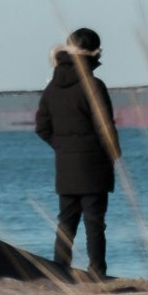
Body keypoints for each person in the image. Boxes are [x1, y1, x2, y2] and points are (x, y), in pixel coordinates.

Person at [35, 28, 118, 279]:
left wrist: (62, 147)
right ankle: (97, 272)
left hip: (66, 166)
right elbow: (105, 126)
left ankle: (60, 270)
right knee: (95, 224)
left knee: (65, 223)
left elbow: (42, 127)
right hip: (95, 164)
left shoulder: (51, 87)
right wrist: (112, 152)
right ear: (94, 53)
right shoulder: (93, 85)